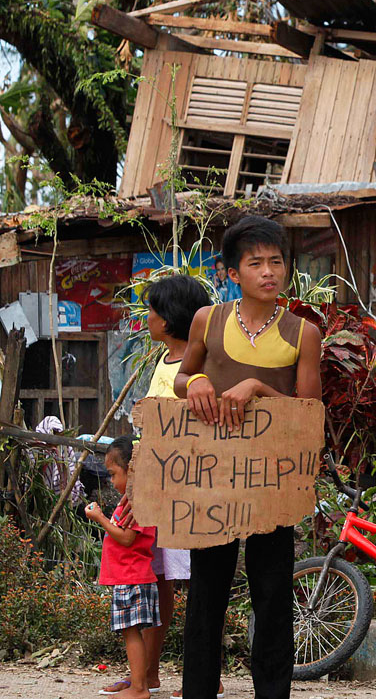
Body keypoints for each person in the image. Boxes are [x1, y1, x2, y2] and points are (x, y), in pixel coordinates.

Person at [174, 215, 322, 699]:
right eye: (255, 263)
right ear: (231, 273)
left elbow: (309, 414)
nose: (268, 272)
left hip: (274, 485)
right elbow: (181, 377)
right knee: (205, 600)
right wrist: (194, 382)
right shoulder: (207, 320)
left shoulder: (303, 334)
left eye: (276, 262)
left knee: (273, 598)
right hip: (212, 483)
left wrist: (258, 386)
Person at [104, 275, 222, 698]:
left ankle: (207, 675)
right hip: (156, 493)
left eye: (153, 310)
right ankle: (147, 675)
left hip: (189, 496)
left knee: (198, 582)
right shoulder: (163, 362)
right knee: (160, 582)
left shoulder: (202, 368)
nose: (148, 317)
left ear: (170, 318)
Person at [85, 436, 161, 699]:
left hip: (133, 576)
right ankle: (138, 683)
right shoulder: (129, 498)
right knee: (130, 633)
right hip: (129, 576)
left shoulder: (139, 499)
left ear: (131, 470)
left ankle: (139, 688)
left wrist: (100, 518)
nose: (111, 481)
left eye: (113, 474)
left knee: (131, 634)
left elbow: (128, 537)